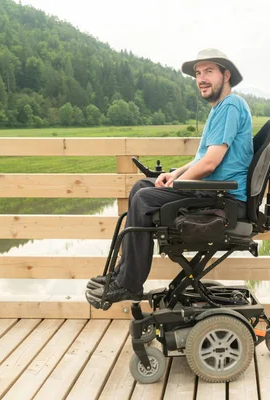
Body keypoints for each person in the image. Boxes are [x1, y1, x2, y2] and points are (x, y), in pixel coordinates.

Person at [86, 48, 253, 308]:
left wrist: (178, 183)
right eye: (198, 74)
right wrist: (174, 174)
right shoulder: (221, 109)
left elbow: (210, 164)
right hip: (214, 191)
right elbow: (202, 158)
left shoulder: (230, 105)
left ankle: (129, 283)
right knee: (144, 185)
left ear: (226, 74)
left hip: (223, 197)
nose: (201, 79)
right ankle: (123, 272)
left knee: (143, 198)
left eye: (209, 71)